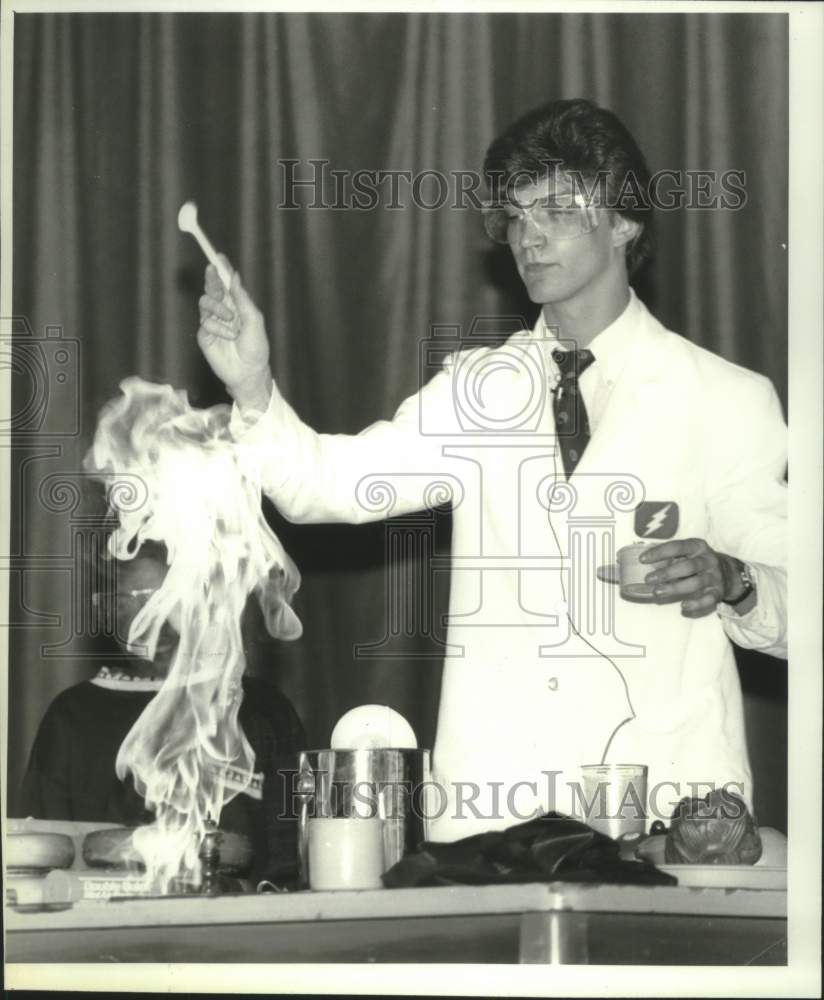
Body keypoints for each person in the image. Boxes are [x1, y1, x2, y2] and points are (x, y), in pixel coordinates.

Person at [196, 98, 787, 842]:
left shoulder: (726, 397)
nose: (528, 236)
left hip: (671, 815)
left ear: (624, 222)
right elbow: (326, 484)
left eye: (557, 210)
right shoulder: (476, 389)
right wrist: (252, 386)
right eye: (515, 215)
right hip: (497, 824)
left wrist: (733, 578)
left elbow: (800, 605)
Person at [20, 541, 307, 883]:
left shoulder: (263, 710)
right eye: (133, 602)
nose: (156, 623)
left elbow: (290, 860)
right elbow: (42, 857)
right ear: (106, 611)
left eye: (172, 600)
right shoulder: (72, 717)